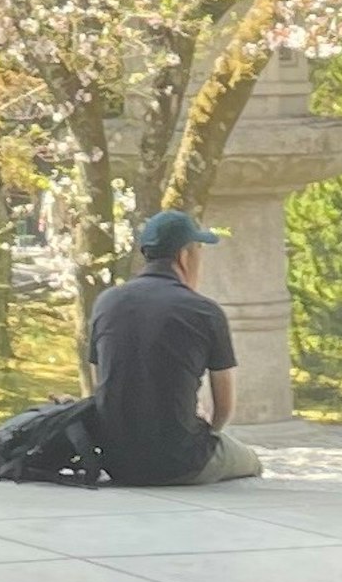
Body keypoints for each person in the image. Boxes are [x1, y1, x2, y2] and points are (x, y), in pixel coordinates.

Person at [86, 207, 259, 485]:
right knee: (250, 460)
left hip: (116, 460)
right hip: (180, 462)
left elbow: (102, 385)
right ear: (184, 255)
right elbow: (224, 406)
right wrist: (208, 432)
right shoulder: (205, 312)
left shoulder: (107, 302)